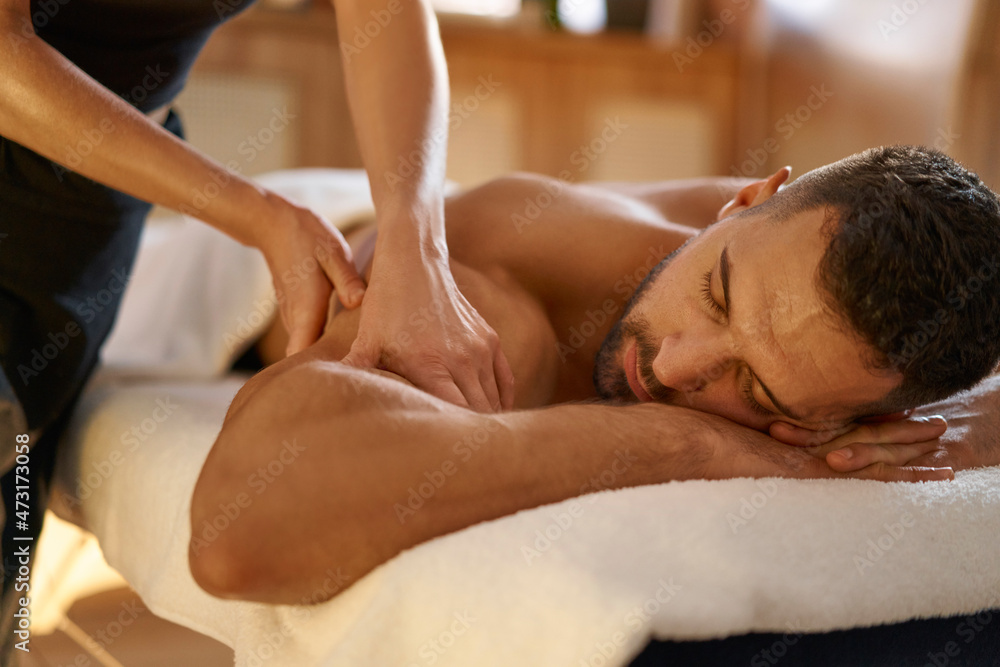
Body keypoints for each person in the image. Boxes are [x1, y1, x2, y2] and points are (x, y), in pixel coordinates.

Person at [188, 145, 1000, 604]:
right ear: (744, 199)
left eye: (757, 391)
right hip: (245, 253)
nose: (672, 364)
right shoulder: (496, 318)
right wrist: (686, 442)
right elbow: (236, 537)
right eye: (715, 295)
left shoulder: (803, 261)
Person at [0, 0, 507, 661]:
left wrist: (418, 245)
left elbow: (388, 16)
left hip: (85, 211)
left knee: (14, 498)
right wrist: (258, 215)